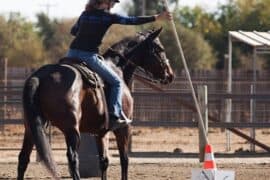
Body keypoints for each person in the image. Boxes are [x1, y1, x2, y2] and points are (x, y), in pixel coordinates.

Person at [66, 0, 172, 130]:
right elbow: (131, 20)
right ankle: (115, 116)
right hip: (89, 56)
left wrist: (88, 32)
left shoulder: (85, 14)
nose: (113, 6)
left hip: (71, 54)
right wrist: (156, 17)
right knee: (117, 82)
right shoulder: (107, 17)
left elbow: (74, 31)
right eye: (113, 3)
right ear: (107, 2)